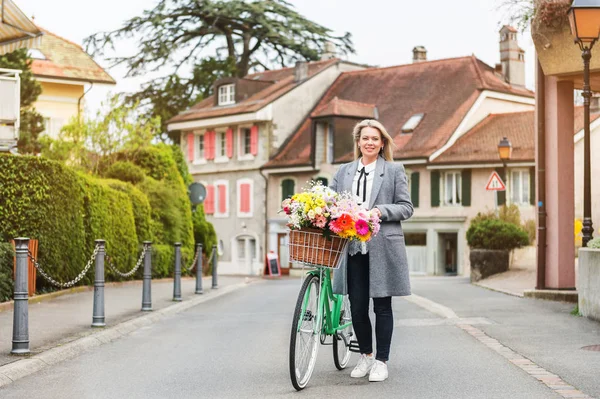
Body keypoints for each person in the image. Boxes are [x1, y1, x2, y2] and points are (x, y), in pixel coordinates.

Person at [330, 119, 413, 382]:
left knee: (382, 306)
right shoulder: (344, 171)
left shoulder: (393, 170)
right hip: (352, 247)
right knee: (356, 307)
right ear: (358, 142)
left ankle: (381, 361)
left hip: (382, 247)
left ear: (382, 143)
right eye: (365, 138)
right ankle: (365, 355)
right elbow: (330, 201)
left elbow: (406, 207)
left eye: (375, 139)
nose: (369, 143)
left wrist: (380, 211)